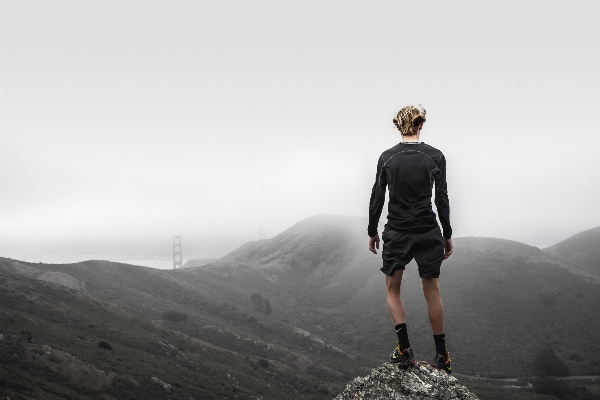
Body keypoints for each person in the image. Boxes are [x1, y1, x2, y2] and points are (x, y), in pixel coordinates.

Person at [367, 104, 453, 373]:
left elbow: (378, 197)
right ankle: (442, 356)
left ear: (398, 126)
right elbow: (442, 198)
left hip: (397, 232)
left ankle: (404, 349)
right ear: (420, 125)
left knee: (392, 289)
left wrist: (372, 231)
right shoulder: (435, 156)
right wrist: (447, 234)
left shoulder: (387, 158)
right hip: (428, 230)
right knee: (432, 291)